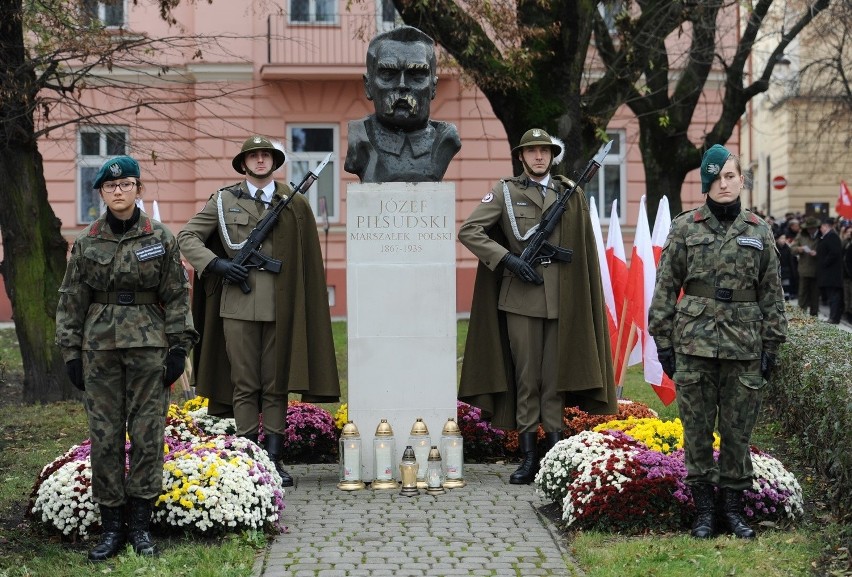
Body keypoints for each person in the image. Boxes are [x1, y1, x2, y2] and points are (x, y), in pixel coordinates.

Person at [55, 155, 199, 561]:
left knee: (148, 433)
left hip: (149, 348)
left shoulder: (161, 238)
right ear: (101, 192)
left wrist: (178, 347)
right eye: (110, 187)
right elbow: (70, 301)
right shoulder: (87, 242)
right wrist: (71, 353)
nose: (118, 191)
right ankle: (112, 526)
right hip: (98, 350)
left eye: (126, 184)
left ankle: (140, 526)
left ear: (138, 188)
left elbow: (176, 294)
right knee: (104, 436)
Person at [177, 135, 340, 488]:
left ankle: (274, 459)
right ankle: (250, 458)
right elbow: (187, 237)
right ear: (243, 163)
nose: (261, 160)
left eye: (267, 155)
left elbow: (307, 259)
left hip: (281, 306)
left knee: (275, 385)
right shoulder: (223, 201)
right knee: (245, 384)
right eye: (254, 156)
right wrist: (218, 265)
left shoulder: (293, 203)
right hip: (237, 306)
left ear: (275, 161)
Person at [457, 128, 617, 485]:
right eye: (532, 151)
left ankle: (556, 451)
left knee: (554, 380)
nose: (539, 157)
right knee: (527, 379)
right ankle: (529, 454)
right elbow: (470, 231)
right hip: (521, 298)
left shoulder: (569, 193)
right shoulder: (505, 192)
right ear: (522, 156)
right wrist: (508, 261)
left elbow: (583, 247)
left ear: (552, 155)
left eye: (544, 151)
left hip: (561, 298)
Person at [648, 144, 787, 540]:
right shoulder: (685, 227)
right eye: (716, 176)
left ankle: (733, 511)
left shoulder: (758, 230)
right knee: (696, 431)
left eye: (730, 176)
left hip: (744, 346)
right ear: (705, 182)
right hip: (694, 345)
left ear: (741, 180)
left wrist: (772, 347)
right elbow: (665, 287)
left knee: (738, 433)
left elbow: (772, 294)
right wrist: (664, 342)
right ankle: (704, 513)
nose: (723, 184)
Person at [344, 25, 461, 183]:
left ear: (433, 87)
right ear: (368, 86)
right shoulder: (359, 137)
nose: (402, 85)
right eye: (388, 74)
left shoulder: (447, 139)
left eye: (416, 75)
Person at [790, 216, 821, 316]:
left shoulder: (821, 236)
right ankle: (801, 316)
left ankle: (814, 316)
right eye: (808, 228)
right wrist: (799, 249)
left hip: (817, 270)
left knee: (815, 295)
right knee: (802, 294)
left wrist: (818, 253)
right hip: (804, 269)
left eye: (811, 228)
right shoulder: (801, 235)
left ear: (816, 227)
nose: (809, 230)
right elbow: (792, 248)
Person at [816, 217, 843, 324]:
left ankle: (834, 317)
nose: (821, 229)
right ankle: (833, 317)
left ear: (826, 226)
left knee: (834, 296)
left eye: (822, 227)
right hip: (828, 273)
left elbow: (834, 253)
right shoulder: (827, 236)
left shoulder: (832, 236)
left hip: (832, 273)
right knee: (832, 296)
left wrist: (824, 263)